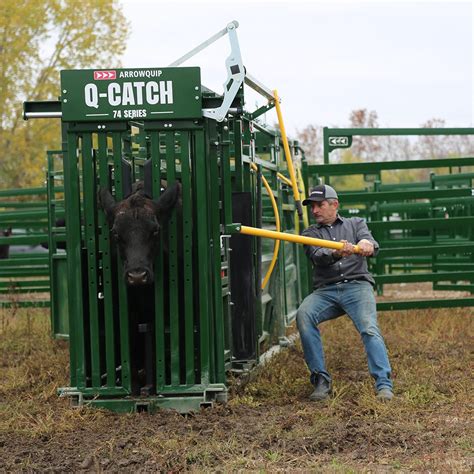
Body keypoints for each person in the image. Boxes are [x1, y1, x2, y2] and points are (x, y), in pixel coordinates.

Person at [296, 184, 393, 401]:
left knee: (369, 328)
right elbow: (318, 256)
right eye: (312, 206)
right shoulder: (310, 233)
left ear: (334, 204)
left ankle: (383, 384)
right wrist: (336, 253)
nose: (315, 211)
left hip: (357, 286)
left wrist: (366, 243)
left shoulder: (356, 224)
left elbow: (370, 242)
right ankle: (321, 380)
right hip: (326, 291)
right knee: (304, 315)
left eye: (319, 205)